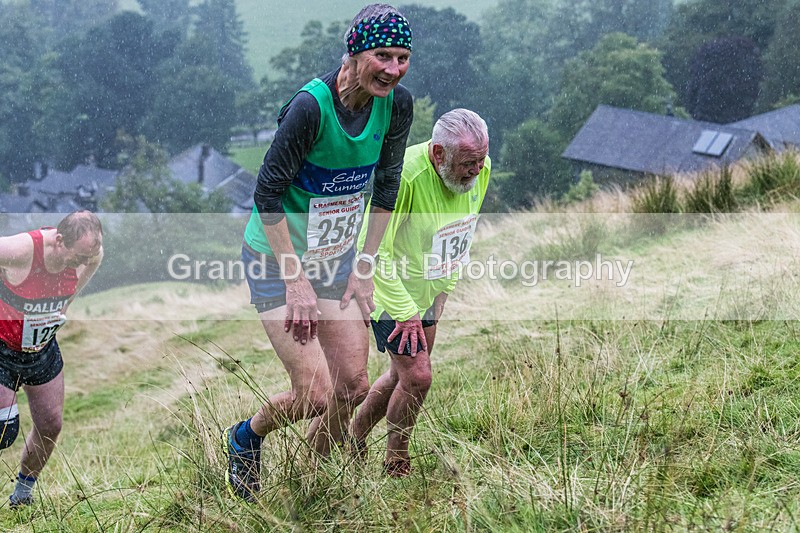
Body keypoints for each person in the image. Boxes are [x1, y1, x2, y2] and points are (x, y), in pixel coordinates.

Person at [223, 3, 413, 502]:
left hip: (335, 261)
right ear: (353, 51)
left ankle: (312, 478)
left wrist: (364, 267)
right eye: (382, 56)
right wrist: (294, 279)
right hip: (275, 259)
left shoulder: (397, 105)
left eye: (403, 58)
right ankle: (246, 437)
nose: (393, 70)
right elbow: (266, 196)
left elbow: (386, 189)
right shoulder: (310, 108)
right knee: (315, 393)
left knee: (352, 386)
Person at [349, 109, 490, 476]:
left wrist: (443, 294)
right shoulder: (405, 176)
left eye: (480, 160)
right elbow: (373, 250)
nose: (476, 170)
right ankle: (396, 458)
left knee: (401, 376)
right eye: (468, 163)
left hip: (428, 291)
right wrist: (406, 311)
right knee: (419, 377)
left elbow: (460, 234)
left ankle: (356, 434)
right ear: (439, 154)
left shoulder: (481, 171)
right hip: (388, 290)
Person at [0, 211, 103, 507]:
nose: (82, 264)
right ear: (59, 241)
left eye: (88, 257)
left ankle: (22, 495)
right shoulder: (21, 250)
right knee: (4, 431)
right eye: (77, 257)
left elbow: (72, 288)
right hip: (2, 349)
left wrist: (60, 307)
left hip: (41, 350)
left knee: (51, 425)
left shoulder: (91, 255)